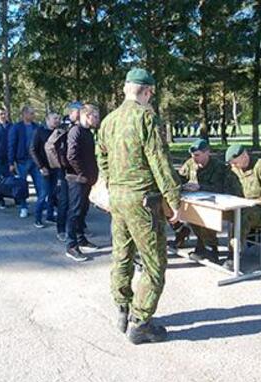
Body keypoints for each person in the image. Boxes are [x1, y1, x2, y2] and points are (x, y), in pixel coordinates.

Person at [97, 68, 181, 344]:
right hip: (142, 199)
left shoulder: (108, 120)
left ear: (125, 89)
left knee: (121, 254)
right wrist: (174, 200)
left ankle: (122, 308)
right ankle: (141, 323)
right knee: (154, 262)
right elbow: (159, 160)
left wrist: (110, 185)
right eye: (151, 94)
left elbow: (103, 157)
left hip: (118, 198)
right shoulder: (146, 117)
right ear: (146, 92)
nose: (151, 99)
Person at [176, 139, 230, 263]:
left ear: (207, 153)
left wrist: (200, 187)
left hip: (214, 202)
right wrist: (183, 185)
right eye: (192, 155)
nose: (194, 158)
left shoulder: (218, 166)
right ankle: (202, 245)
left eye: (197, 155)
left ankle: (211, 249)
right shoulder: (190, 163)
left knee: (207, 217)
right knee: (190, 216)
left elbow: (221, 187)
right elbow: (181, 177)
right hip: (195, 200)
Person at [64, 104, 100, 262]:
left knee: (83, 210)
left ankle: (80, 238)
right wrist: (82, 173)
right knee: (74, 211)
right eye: (96, 116)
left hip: (86, 179)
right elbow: (71, 156)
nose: (98, 119)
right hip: (76, 179)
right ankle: (71, 245)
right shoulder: (76, 131)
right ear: (87, 116)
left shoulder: (87, 132)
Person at [54, 101, 83, 241]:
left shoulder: (80, 126)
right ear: (73, 112)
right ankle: (61, 229)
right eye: (79, 110)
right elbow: (57, 148)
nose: (81, 112)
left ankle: (79, 229)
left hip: (75, 169)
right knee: (65, 201)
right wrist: (62, 165)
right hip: (65, 170)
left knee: (78, 202)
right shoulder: (64, 126)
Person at [8, 106, 40, 219]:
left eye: (33, 113)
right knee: (22, 185)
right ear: (25, 114)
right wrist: (11, 162)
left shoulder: (37, 127)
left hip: (35, 161)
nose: (33, 115)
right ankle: (23, 207)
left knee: (40, 185)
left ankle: (42, 207)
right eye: (31, 113)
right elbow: (11, 145)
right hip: (22, 161)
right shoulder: (16, 128)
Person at [29, 112, 60, 228]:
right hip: (43, 168)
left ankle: (50, 216)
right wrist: (41, 167)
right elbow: (32, 150)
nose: (57, 120)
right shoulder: (39, 132)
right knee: (43, 194)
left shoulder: (59, 132)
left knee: (52, 193)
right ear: (47, 120)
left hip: (55, 168)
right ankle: (37, 218)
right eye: (55, 118)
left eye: (58, 118)